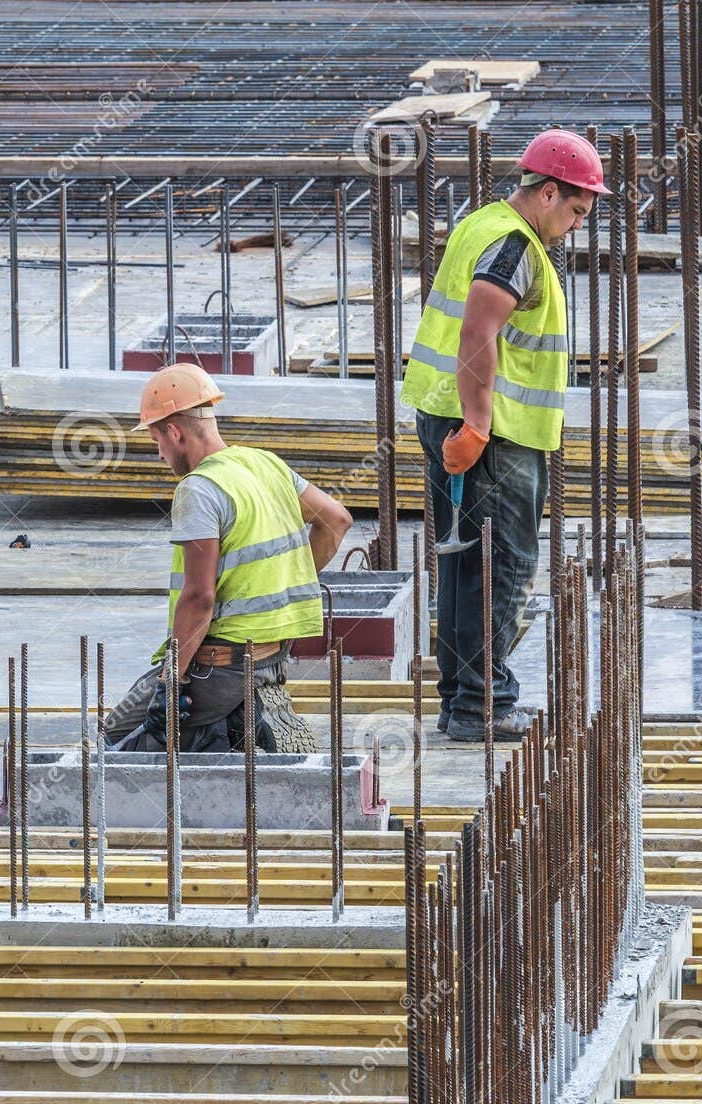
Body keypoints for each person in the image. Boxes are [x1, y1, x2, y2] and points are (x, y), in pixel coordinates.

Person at [401, 129, 607, 742]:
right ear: (547, 193)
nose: (575, 225)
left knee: (465, 564)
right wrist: (479, 422)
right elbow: (477, 333)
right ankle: (482, 703)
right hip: (492, 435)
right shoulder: (514, 246)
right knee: (503, 565)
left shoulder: (481, 223)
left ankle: (462, 700)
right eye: (575, 211)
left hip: (451, 415)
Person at [104, 362, 353, 752]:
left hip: (219, 667)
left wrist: (170, 684)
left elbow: (199, 600)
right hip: (271, 658)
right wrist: (285, 580)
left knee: (119, 737)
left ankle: (221, 736)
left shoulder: (199, 489)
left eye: (157, 441)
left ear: (174, 431)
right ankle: (234, 721)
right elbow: (336, 521)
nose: (159, 454)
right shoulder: (265, 463)